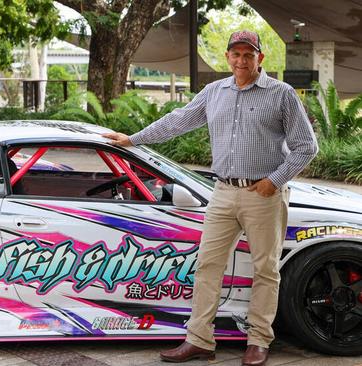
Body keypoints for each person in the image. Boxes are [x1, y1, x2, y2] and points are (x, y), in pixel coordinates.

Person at [103, 30, 318, 366]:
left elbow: (307, 146)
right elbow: (177, 122)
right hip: (222, 193)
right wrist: (133, 139)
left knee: (265, 270)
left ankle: (258, 340)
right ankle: (200, 339)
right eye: (236, 54)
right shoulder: (214, 92)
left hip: (263, 195)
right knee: (207, 266)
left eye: (249, 55)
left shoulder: (281, 94)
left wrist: (274, 182)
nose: (242, 60)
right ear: (228, 57)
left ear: (260, 58)